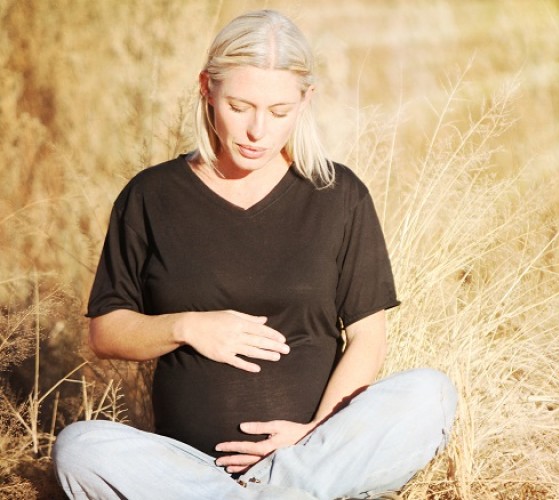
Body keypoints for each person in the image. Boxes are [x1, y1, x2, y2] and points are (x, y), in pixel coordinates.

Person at [53, 10, 457, 500]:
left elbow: (367, 338)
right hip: (189, 468)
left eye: (279, 111)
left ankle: (283, 487)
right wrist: (188, 326)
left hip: (311, 452)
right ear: (207, 88)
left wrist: (311, 434)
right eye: (240, 107)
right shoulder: (151, 196)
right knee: (79, 448)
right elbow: (106, 331)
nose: (257, 131)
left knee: (430, 394)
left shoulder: (338, 194)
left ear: (306, 100)